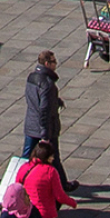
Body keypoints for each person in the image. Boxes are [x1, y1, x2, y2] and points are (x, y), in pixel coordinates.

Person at [23, 50, 73, 187]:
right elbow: (44, 109)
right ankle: (62, 184)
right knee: (53, 156)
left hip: (30, 124)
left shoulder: (31, 77)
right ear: (47, 63)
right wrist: (45, 133)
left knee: (26, 156)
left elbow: (35, 99)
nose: (56, 64)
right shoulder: (48, 84)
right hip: (46, 128)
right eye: (54, 62)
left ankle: (20, 179)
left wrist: (55, 101)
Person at [16, 139, 76, 218]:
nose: (53, 158)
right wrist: (72, 202)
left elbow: (17, 188)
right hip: (45, 215)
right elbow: (60, 196)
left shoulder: (24, 168)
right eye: (51, 156)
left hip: (27, 213)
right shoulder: (50, 172)